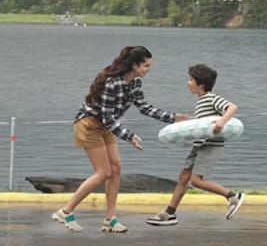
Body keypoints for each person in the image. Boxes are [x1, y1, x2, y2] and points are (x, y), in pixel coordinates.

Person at [54, 46, 188, 233]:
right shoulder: (112, 83)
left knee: (116, 168)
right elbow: (107, 118)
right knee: (103, 172)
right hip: (90, 124)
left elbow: (144, 108)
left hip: (106, 125)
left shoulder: (135, 83)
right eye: (146, 65)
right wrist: (129, 136)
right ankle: (66, 211)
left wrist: (173, 117)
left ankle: (110, 219)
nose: (148, 69)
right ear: (134, 65)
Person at [147, 64, 245, 226]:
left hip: (211, 145)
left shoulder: (212, 98)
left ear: (200, 84)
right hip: (199, 145)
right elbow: (202, 125)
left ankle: (233, 196)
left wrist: (222, 121)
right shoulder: (201, 101)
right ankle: (169, 213)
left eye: (191, 80)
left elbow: (232, 107)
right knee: (183, 178)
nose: (188, 82)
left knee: (196, 181)